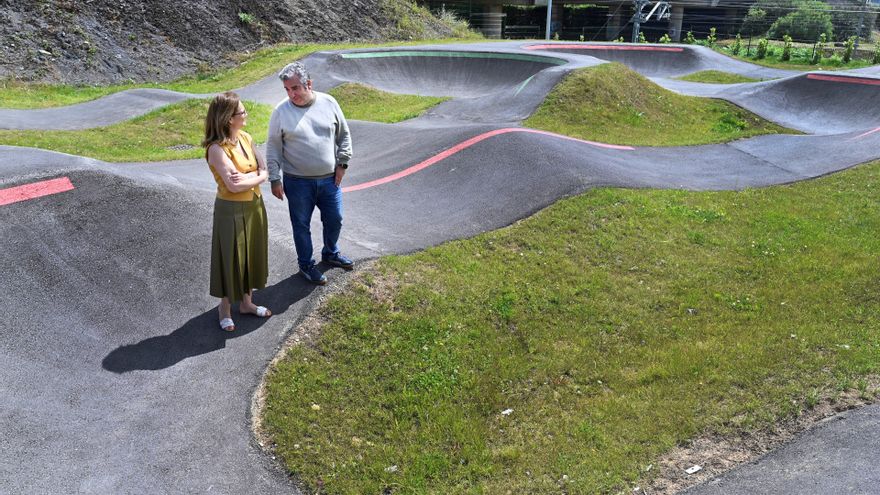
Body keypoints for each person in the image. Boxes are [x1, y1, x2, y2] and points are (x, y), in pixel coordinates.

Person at [266, 61, 354, 285]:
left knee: (335, 219)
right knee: (301, 226)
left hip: (329, 180)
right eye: (287, 89)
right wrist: (275, 179)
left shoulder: (329, 102)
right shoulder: (280, 111)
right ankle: (306, 265)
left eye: (295, 88)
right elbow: (273, 148)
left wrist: (342, 164)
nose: (291, 94)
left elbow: (344, 136)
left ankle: (330, 253)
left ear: (309, 84)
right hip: (297, 183)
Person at [202, 91, 272, 332]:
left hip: (254, 205)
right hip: (229, 210)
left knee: (250, 254)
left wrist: (252, 177)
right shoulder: (216, 149)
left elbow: (264, 169)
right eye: (242, 112)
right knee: (230, 258)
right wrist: (257, 176)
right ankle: (225, 308)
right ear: (229, 118)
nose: (246, 115)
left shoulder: (246, 138)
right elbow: (233, 185)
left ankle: (247, 303)